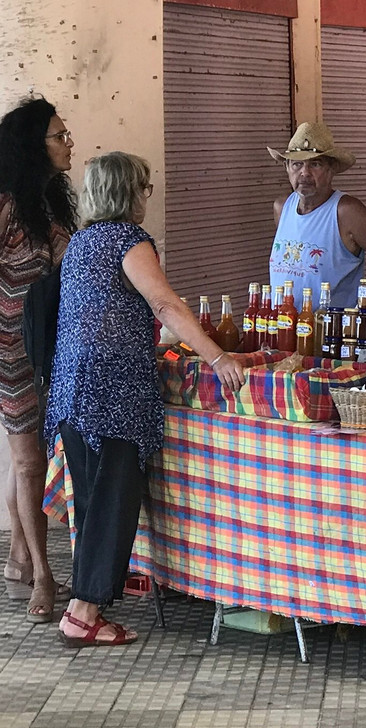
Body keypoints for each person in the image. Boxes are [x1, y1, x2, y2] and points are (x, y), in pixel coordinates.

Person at [45, 152, 245, 646]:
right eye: (144, 187)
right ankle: (84, 612)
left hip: (73, 390)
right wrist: (217, 357)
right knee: (113, 502)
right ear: (128, 191)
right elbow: (164, 303)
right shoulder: (128, 241)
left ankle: (80, 607)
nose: (145, 197)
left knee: (92, 502)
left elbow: (105, 315)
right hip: (111, 393)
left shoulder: (82, 243)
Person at [0, 97, 78, 622]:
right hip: (10, 353)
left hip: (53, 348)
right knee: (29, 461)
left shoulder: (53, 203)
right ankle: (45, 579)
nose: (69, 143)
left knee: (32, 460)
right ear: (34, 146)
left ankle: (17, 557)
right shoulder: (6, 206)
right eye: (58, 136)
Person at [268, 122, 366, 310]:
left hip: (331, 334)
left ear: (332, 169)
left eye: (315, 164)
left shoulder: (346, 211)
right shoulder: (282, 208)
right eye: (297, 164)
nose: (304, 172)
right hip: (283, 330)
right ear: (287, 168)